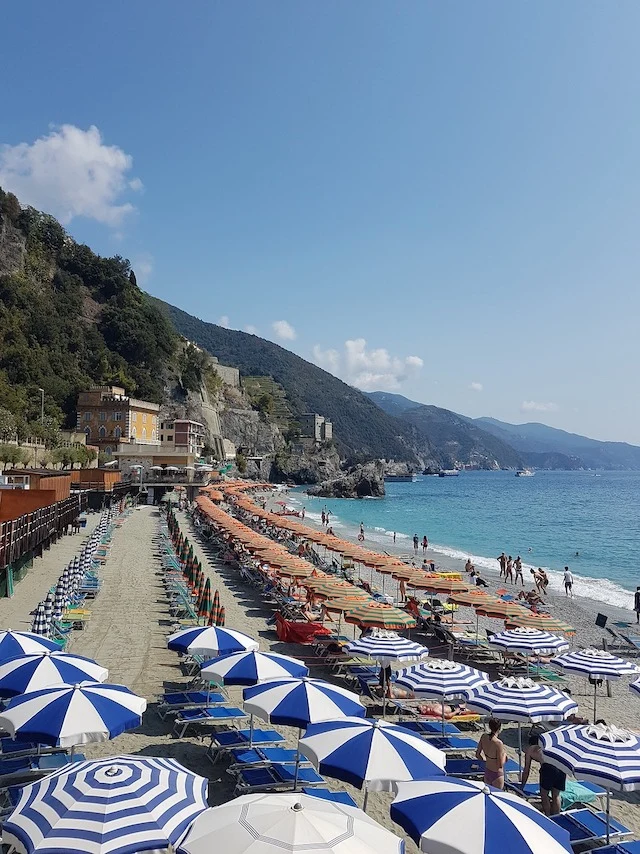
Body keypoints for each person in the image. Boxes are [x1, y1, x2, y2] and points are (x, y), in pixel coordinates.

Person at [521, 733, 565, 815]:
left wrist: (522, 787)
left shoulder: (531, 749)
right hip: (561, 767)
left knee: (544, 795)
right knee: (556, 796)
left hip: (548, 768)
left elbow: (526, 770)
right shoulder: (549, 746)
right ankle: (556, 816)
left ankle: (547, 816)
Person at [476, 718, 507, 789]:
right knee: (497, 797)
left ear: (489, 727)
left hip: (487, 771)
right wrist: (504, 756)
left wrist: (486, 761)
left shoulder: (483, 736)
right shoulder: (498, 743)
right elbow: (500, 765)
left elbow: (477, 754)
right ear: (499, 728)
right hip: (497, 774)